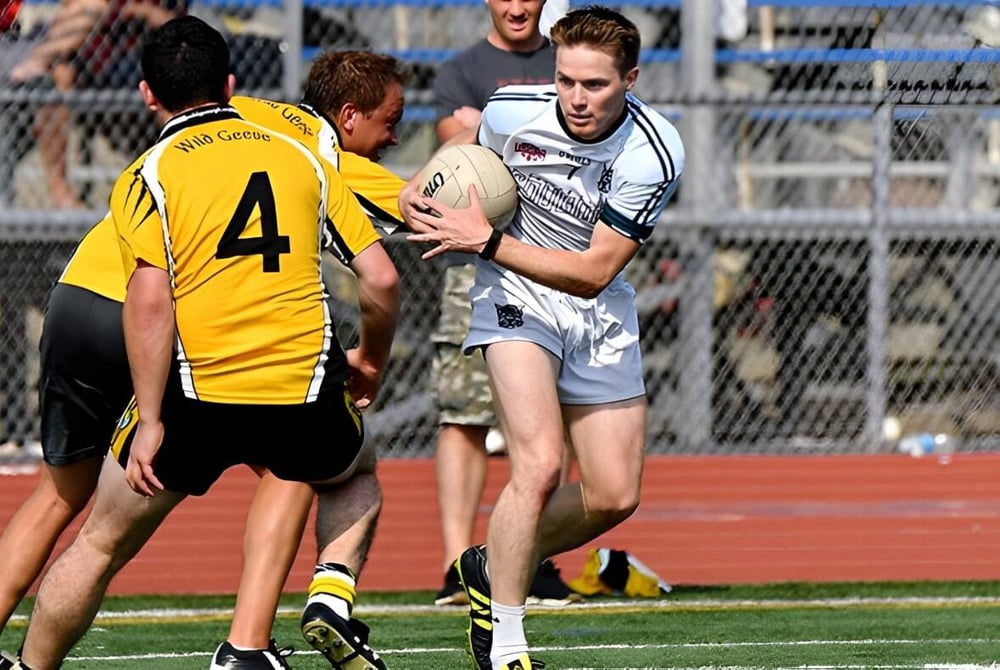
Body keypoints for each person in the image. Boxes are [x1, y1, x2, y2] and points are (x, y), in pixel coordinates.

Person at [0, 16, 399, 670]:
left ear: (146, 95)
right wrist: (373, 358)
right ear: (233, 85)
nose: (390, 139)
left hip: (92, 310)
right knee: (307, 466)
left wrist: (151, 421)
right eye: (390, 126)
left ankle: (33, 665)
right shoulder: (301, 152)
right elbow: (386, 263)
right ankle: (259, 638)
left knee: (79, 518)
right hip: (224, 352)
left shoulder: (145, 170)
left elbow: (151, 290)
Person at [400, 6, 685, 669]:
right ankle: (507, 641)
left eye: (596, 85)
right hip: (513, 297)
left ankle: (487, 560)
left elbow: (593, 273)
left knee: (615, 494)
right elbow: (444, 168)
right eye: (567, 81)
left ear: (631, 79)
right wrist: (422, 196)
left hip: (593, 307)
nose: (577, 99)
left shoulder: (654, 149)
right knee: (540, 462)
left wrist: (488, 240)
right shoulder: (508, 111)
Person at [429, 0, 577, 609]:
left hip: (555, 264)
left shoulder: (569, 61)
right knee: (463, 416)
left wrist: (498, 128)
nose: (517, 6)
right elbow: (463, 162)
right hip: (473, 268)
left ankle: (532, 558)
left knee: (553, 420)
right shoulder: (460, 70)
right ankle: (455, 566)